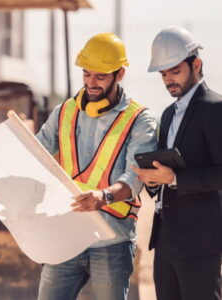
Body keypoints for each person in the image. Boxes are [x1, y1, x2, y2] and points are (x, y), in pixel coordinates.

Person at [36, 32, 157, 300]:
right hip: (66, 235)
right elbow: (36, 155)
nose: (91, 83)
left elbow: (136, 176)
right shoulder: (64, 111)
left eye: (100, 77)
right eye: (87, 74)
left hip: (111, 239)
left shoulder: (139, 119)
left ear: (120, 74)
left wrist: (105, 196)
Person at [132, 26, 222, 300]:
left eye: (175, 71)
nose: (168, 80)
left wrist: (174, 179)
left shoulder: (215, 109)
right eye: (163, 74)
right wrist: (152, 179)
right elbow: (165, 172)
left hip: (199, 242)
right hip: (166, 240)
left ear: (196, 64)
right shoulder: (169, 114)